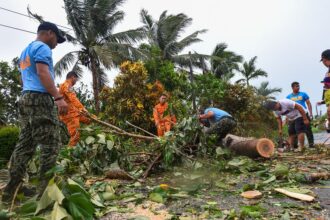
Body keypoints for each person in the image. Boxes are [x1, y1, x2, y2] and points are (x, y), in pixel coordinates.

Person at [2, 22, 67, 202]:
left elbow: (23, 79)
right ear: (49, 33)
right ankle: (45, 193)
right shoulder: (43, 48)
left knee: (25, 146)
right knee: (51, 145)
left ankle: (11, 191)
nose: (55, 44)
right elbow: (43, 73)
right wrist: (58, 97)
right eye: (56, 40)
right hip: (40, 99)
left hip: (25, 99)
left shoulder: (26, 51)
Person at [59, 71, 91, 146]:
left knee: (91, 119)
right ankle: (68, 155)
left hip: (76, 112)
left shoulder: (67, 86)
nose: (76, 81)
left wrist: (81, 110)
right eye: (76, 79)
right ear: (73, 77)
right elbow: (72, 98)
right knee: (75, 136)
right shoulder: (65, 85)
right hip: (70, 115)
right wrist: (82, 108)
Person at [286, 82, 314, 147]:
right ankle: (295, 145)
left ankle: (311, 144)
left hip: (304, 113)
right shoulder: (288, 97)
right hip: (294, 116)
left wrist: (311, 113)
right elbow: (287, 108)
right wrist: (287, 118)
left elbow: (308, 103)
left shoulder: (303, 94)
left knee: (308, 129)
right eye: (296, 86)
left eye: (298, 86)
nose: (298, 87)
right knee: (294, 130)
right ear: (292, 87)